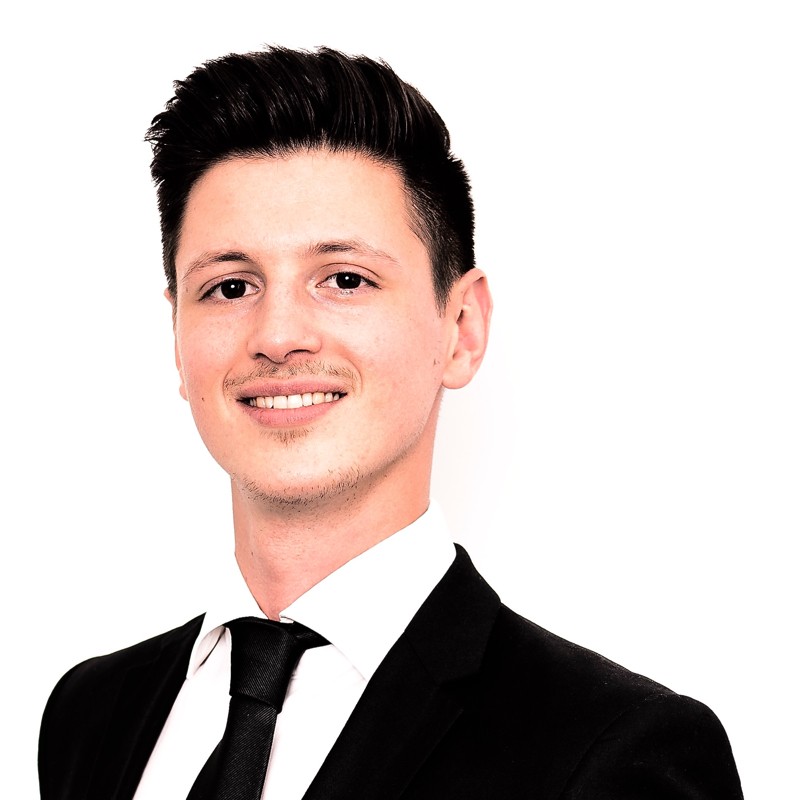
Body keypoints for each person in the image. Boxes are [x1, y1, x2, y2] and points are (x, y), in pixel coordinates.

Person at [38, 46, 743, 799]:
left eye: (345, 279)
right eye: (230, 286)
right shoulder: (89, 715)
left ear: (462, 328)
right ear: (177, 334)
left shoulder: (616, 748)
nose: (277, 335)